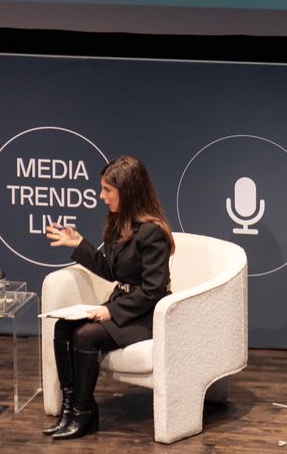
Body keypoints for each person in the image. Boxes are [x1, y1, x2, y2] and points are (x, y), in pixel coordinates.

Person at [40, 154, 174, 440]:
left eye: (107, 190)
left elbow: (153, 290)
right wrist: (80, 245)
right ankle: (70, 407)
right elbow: (113, 271)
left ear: (128, 191)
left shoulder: (152, 233)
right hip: (125, 306)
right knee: (63, 326)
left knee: (85, 335)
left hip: (147, 315)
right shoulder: (119, 224)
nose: (101, 196)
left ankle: (85, 410)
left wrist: (111, 312)